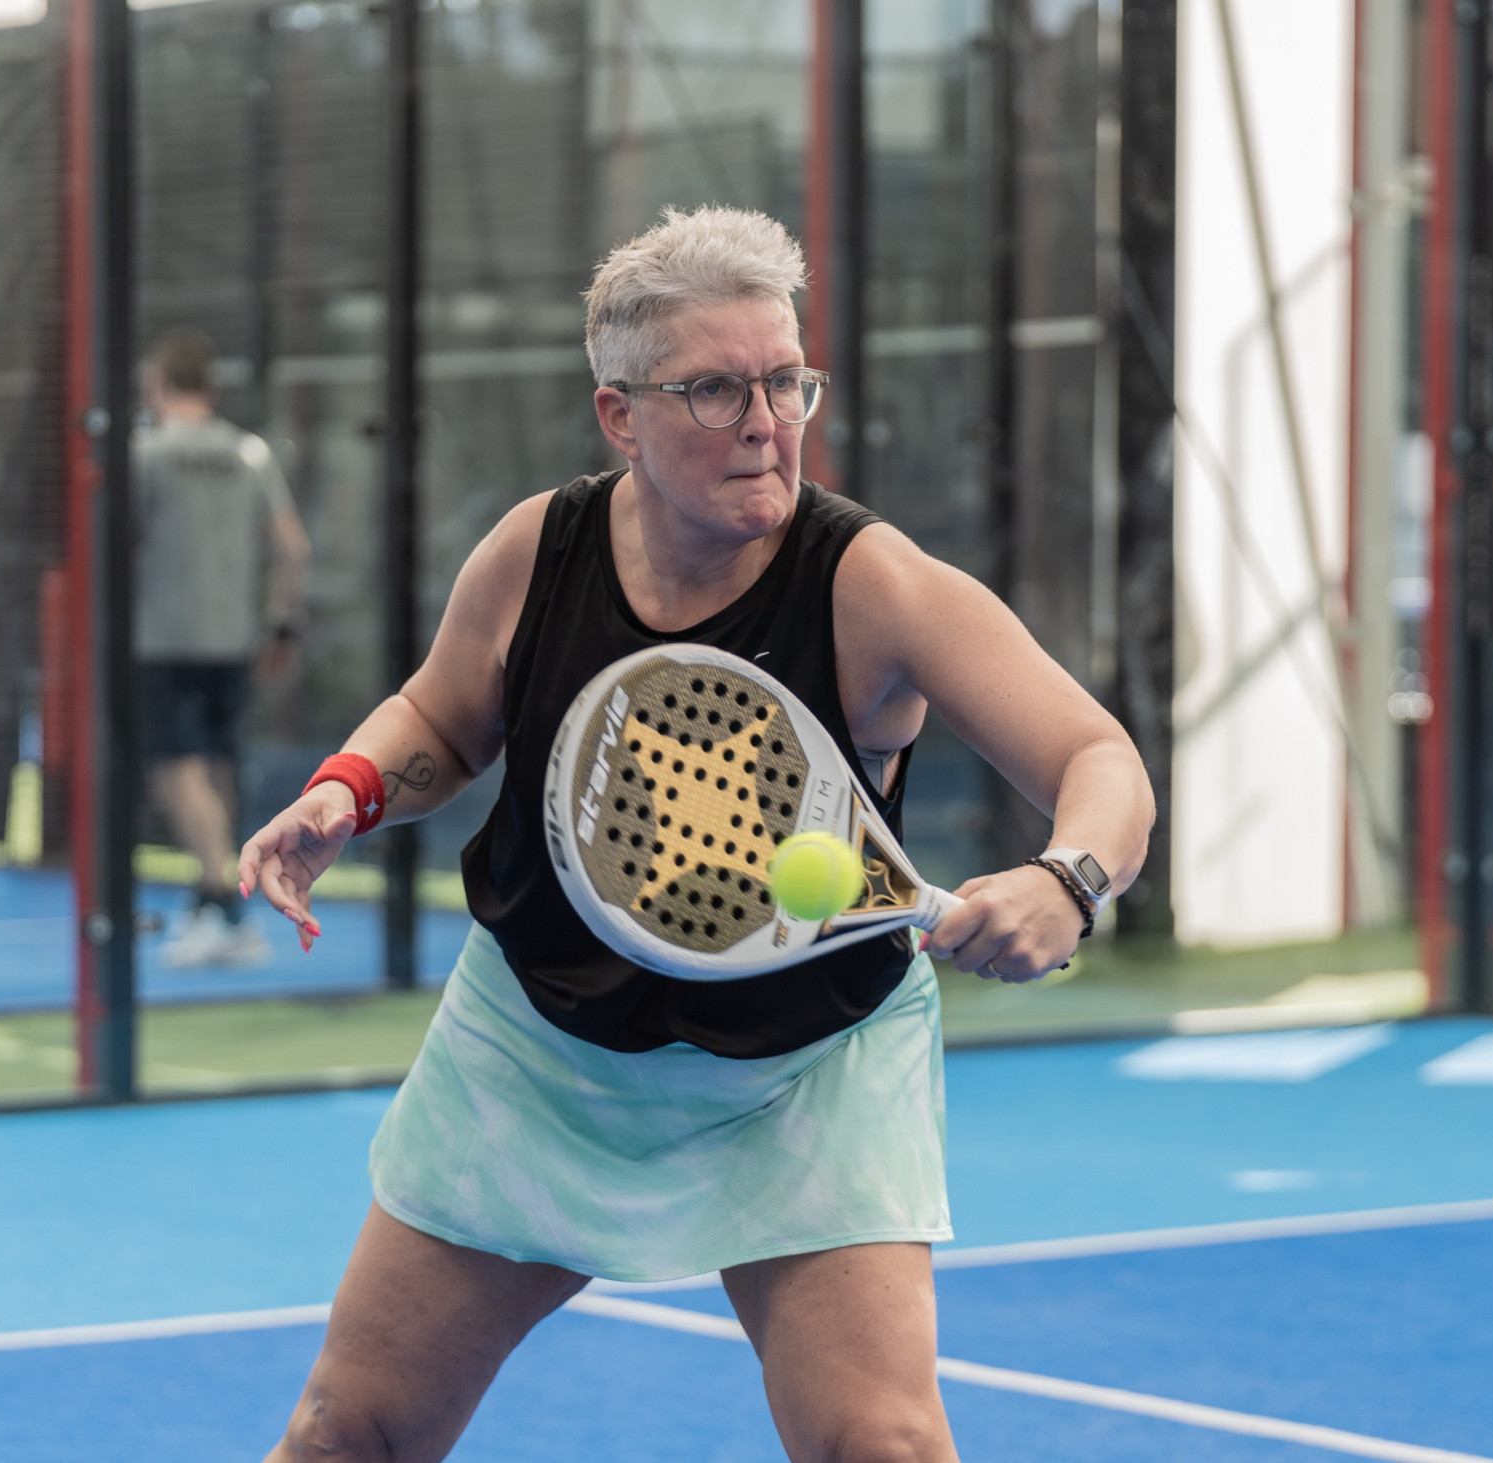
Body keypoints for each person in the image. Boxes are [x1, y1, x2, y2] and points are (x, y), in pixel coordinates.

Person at [238, 206, 1155, 1462]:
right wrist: (343, 790)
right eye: (717, 389)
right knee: (350, 1432)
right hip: (535, 1051)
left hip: (806, 1070)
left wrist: (1069, 876)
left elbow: (1099, 758)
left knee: (879, 1443)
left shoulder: (872, 586)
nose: (766, 420)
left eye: (785, 381)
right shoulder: (537, 550)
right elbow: (444, 716)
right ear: (619, 415)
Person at [136, 328, 312, 967]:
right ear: (208, 387)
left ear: (157, 384)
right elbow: (293, 548)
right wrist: (282, 625)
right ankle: (217, 900)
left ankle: (223, 905)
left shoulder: (145, 453)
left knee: (175, 770)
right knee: (214, 768)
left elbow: (117, 542)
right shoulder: (249, 452)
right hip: (233, 642)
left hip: (163, 639)